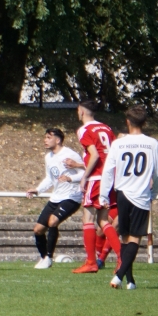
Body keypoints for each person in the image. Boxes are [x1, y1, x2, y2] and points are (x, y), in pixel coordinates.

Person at [100, 106, 158, 290]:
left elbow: (108, 171)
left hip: (122, 194)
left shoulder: (118, 144)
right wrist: (154, 193)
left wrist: (104, 195)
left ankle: (130, 281)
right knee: (135, 239)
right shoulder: (152, 144)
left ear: (127, 121)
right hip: (141, 195)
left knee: (126, 239)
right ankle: (119, 276)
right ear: (144, 122)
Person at [64, 99, 121, 274]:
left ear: (81, 111)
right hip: (110, 178)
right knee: (103, 220)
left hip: (96, 178)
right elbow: (112, 153)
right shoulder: (106, 128)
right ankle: (122, 258)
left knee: (87, 219)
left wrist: (84, 177)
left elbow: (94, 155)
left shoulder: (84, 129)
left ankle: (91, 262)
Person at [26, 128, 83, 269]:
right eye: (45, 137)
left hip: (72, 197)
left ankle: (49, 257)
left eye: (48, 137)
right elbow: (50, 178)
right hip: (56, 197)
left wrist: (70, 178)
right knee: (38, 230)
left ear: (57, 140)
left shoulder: (70, 154)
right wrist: (38, 189)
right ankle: (44, 257)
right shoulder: (48, 157)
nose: (45, 140)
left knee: (53, 221)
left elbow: (85, 173)